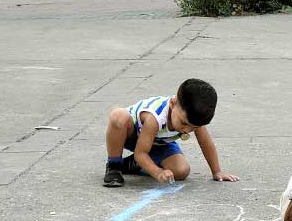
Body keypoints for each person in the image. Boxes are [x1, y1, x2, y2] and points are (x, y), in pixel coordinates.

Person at [102, 78, 239, 187]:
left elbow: (206, 143)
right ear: (173, 104)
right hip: (132, 134)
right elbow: (140, 152)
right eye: (184, 123)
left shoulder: (193, 120)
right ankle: (114, 165)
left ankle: (131, 164)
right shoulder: (154, 118)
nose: (187, 130)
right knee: (118, 116)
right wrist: (157, 172)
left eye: (194, 128)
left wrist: (217, 172)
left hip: (158, 142)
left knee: (181, 171)